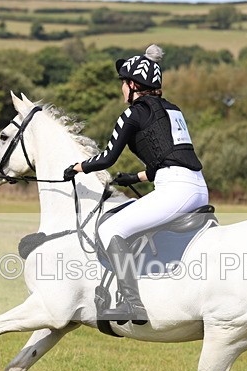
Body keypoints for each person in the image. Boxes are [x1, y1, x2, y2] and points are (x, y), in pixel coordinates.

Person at [64, 44, 209, 325]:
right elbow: (168, 158)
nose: (121, 89)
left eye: (122, 83)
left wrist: (78, 167)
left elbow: (107, 157)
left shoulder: (133, 114)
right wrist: (135, 177)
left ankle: (133, 305)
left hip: (175, 189)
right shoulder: (173, 110)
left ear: (133, 84)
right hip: (197, 187)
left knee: (110, 228)